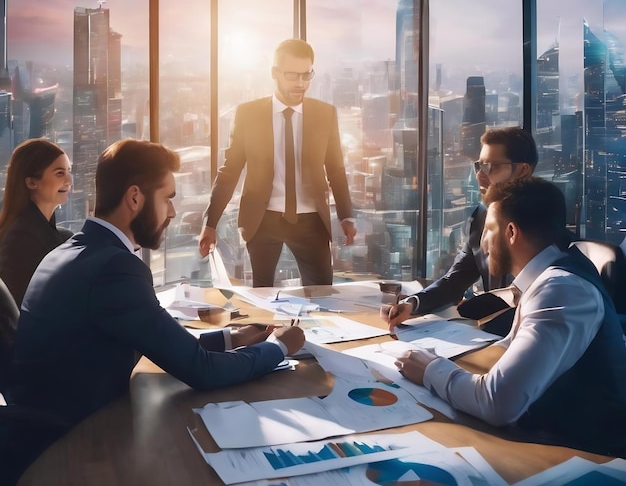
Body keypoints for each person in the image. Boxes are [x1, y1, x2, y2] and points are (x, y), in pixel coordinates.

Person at [9, 139, 305, 440]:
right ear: (135, 197)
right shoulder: (115, 268)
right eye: (167, 198)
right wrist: (279, 346)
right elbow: (202, 371)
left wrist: (231, 337)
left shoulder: (72, 249)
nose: (173, 211)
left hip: (49, 424)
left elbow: (154, 341)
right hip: (75, 445)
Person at [395, 177, 626, 457]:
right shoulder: (549, 278)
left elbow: (498, 403)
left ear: (512, 232)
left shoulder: (561, 290)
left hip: (579, 453)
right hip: (549, 433)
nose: (483, 243)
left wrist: (431, 369)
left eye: (489, 230)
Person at [198, 38, 357, 287]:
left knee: (322, 294)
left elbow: (335, 169)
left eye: (307, 75)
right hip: (262, 220)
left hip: (311, 220)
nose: (301, 83)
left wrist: (347, 216)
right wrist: (211, 223)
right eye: (293, 75)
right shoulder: (248, 114)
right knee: (263, 296)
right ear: (275, 73)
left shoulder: (325, 114)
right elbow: (230, 171)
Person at [383, 127, 537, 331]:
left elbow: (532, 301)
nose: (480, 176)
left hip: (523, 336)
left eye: (491, 167)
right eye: (479, 166)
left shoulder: (541, 224)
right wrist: (412, 304)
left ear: (523, 170)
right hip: (486, 335)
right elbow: (455, 280)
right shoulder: (481, 216)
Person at [0, 139, 73, 307]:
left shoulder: (60, 236)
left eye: (69, 171)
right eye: (60, 173)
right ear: (32, 182)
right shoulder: (19, 240)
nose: (69, 180)